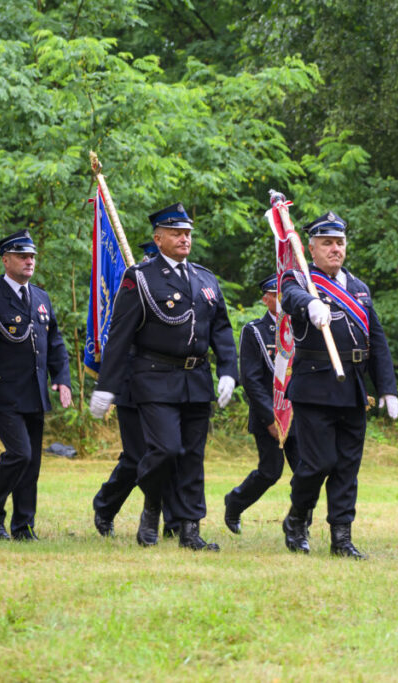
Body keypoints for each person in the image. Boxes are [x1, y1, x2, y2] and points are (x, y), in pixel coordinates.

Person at [89, 202, 237, 552]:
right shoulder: (139, 278)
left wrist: (229, 372)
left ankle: (190, 530)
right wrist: (106, 386)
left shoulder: (205, 278)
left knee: (192, 457)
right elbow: (121, 334)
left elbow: (222, 331)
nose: (184, 239)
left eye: (187, 233)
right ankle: (152, 505)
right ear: (158, 238)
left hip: (196, 379)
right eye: (176, 233)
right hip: (154, 378)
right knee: (166, 449)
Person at [279, 211, 398, 558]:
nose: (335, 249)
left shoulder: (359, 288)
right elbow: (290, 298)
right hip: (315, 387)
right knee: (318, 464)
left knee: (347, 466)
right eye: (327, 243)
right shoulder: (299, 280)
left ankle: (341, 537)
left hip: (352, 390)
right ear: (311, 248)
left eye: (340, 242)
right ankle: (298, 517)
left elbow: (377, 340)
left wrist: (387, 387)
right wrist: (310, 303)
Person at [0, 229, 72, 541]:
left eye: (32, 256)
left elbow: (55, 344)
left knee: (32, 463)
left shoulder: (41, 297)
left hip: (34, 393)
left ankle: (24, 526)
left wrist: (62, 379)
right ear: (5, 259)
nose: (29, 261)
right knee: (19, 454)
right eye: (22, 256)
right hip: (3, 392)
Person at [91, 239, 177, 539]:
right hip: (132, 389)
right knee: (137, 456)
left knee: (170, 452)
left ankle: (173, 519)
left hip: (165, 387)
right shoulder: (134, 288)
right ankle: (105, 506)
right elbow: (119, 341)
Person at [223, 274, 300, 535]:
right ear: (265, 298)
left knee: (306, 472)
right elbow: (251, 380)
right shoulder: (254, 331)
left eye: (285, 294)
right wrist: (270, 419)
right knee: (271, 472)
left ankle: (299, 525)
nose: (281, 300)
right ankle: (235, 502)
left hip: (298, 413)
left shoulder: (299, 329)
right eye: (275, 295)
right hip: (268, 416)